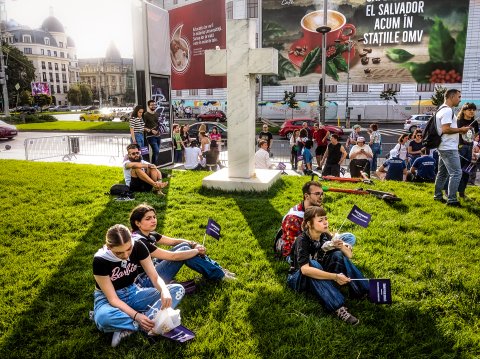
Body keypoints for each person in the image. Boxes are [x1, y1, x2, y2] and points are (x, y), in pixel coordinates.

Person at [92, 224, 185, 347]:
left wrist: (164, 290)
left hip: (133, 292)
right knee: (103, 318)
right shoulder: (100, 260)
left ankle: (128, 326)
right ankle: (150, 324)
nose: (125, 255)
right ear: (109, 247)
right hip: (108, 299)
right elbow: (113, 299)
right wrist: (136, 316)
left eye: (129, 249)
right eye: (119, 253)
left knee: (177, 289)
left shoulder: (139, 246)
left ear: (132, 240)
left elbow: (155, 277)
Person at [287, 206, 369, 325]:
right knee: (313, 264)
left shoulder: (324, 235)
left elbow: (349, 256)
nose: (325, 222)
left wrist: (341, 247)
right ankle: (338, 308)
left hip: (319, 268)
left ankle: (363, 290)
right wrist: (335, 277)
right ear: (309, 224)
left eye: (325, 218)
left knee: (337, 254)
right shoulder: (302, 240)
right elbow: (305, 270)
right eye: (320, 220)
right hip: (297, 278)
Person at [129, 204, 235, 287]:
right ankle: (219, 274)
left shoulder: (150, 234)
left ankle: (218, 270)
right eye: (148, 219)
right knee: (184, 251)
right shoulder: (140, 241)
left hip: (152, 270)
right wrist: (197, 251)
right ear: (138, 223)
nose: (153, 220)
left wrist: (193, 244)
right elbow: (173, 257)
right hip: (146, 281)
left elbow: (174, 242)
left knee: (185, 245)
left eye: (154, 217)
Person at [279, 181, 356, 259]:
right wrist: (328, 246)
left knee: (349, 237)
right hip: (297, 253)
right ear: (306, 196)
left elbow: (325, 233)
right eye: (317, 194)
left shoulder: (317, 208)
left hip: (319, 242)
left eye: (322, 194)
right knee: (335, 253)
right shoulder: (293, 218)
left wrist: (334, 239)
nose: (320, 197)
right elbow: (296, 246)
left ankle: (334, 256)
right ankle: (333, 257)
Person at [434, 89, 471, 206]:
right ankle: (452, 200)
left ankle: (438, 196)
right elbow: (446, 129)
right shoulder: (448, 111)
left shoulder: (441, 108)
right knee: (456, 173)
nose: (460, 99)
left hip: (443, 146)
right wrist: (462, 130)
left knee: (442, 173)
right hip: (448, 147)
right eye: (459, 97)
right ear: (452, 97)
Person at [457, 102, 479, 198]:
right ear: (464, 111)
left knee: (466, 171)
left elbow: (474, 136)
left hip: (469, 148)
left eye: (473, 110)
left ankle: (462, 192)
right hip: (459, 147)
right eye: (469, 110)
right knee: (456, 171)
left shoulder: (475, 123)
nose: (472, 112)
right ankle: (449, 192)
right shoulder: (458, 121)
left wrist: (474, 147)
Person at [143, 100, 161, 165]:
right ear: (148, 106)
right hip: (150, 136)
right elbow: (143, 126)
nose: (153, 106)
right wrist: (151, 130)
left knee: (157, 152)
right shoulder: (145, 115)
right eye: (152, 105)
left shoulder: (156, 114)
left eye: (154, 104)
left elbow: (158, 124)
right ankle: (154, 166)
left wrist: (158, 130)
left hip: (158, 135)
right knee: (156, 151)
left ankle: (154, 166)